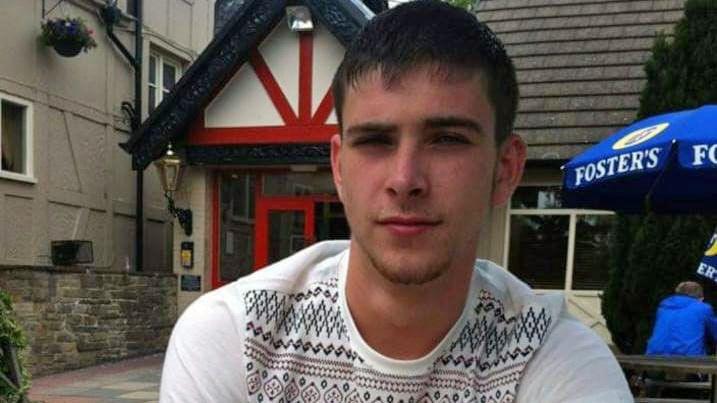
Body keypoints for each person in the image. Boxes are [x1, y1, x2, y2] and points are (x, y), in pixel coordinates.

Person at [159, 1, 632, 401]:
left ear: (505, 169)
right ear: (340, 168)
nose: (405, 180)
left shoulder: (554, 361)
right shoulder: (235, 337)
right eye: (375, 141)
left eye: (447, 139)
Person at [646, 281, 717, 356]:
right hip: (688, 359)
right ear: (700, 299)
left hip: (653, 356)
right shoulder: (703, 308)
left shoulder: (663, 307)